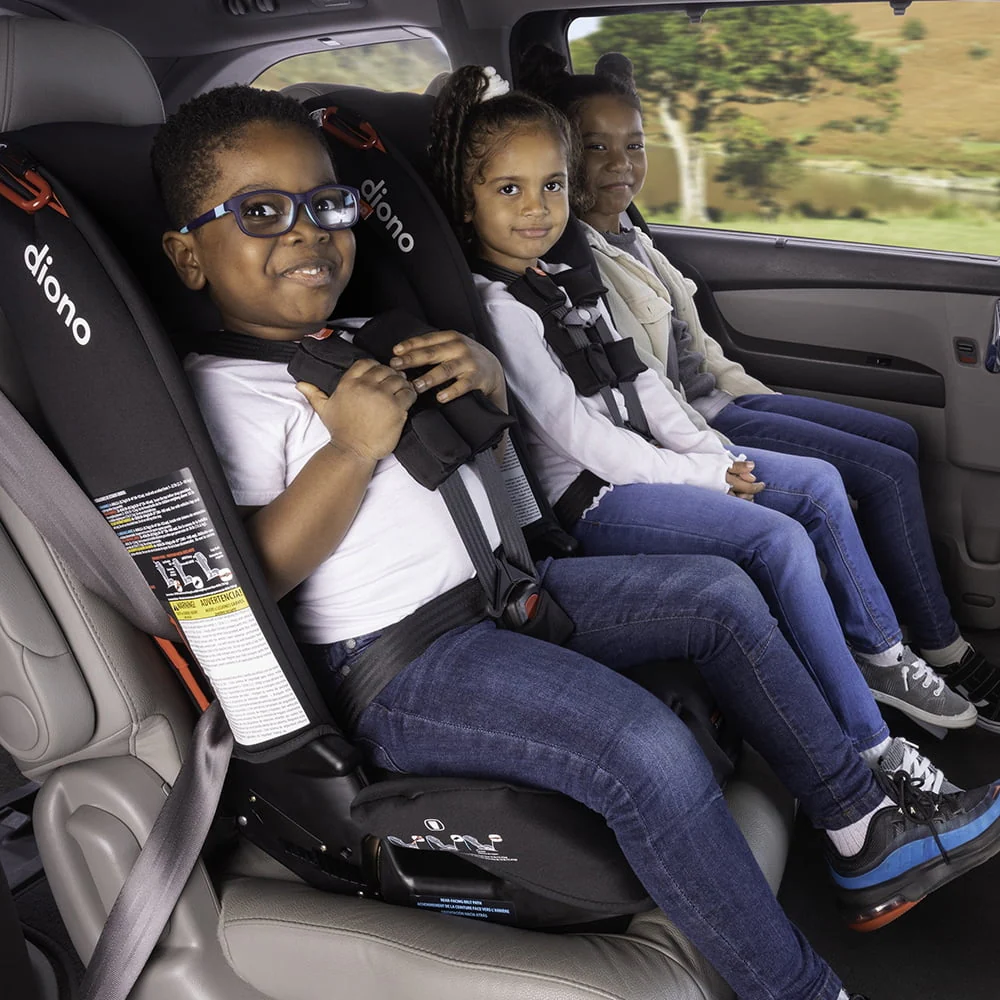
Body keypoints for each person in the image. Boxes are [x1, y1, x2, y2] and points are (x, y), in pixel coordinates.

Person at [151, 83, 1000, 1000]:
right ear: (189, 256)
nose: (307, 234)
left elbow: (488, 479)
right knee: (644, 747)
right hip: (402, 665)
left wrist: (486, 386)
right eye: (262, 213)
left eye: (327, 206)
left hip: (502, 590)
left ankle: (862, 832)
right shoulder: (225, 392)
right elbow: (250, 582)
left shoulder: (371, 339)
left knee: (721, 594)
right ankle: (797, 988)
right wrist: (352, 449)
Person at [518, 46, 1000, 732]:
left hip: (724, 399)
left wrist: (770, 404)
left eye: (635, 144)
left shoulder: (632, 234)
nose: (621, 163)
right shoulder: (574, 260)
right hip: (696, 425)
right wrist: (722, 449)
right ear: (567, 159)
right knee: (869, 474)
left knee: (896, 440)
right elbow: (644, 391)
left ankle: (917, 636)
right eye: (597, 147)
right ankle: (936, 648)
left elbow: (702, 349)